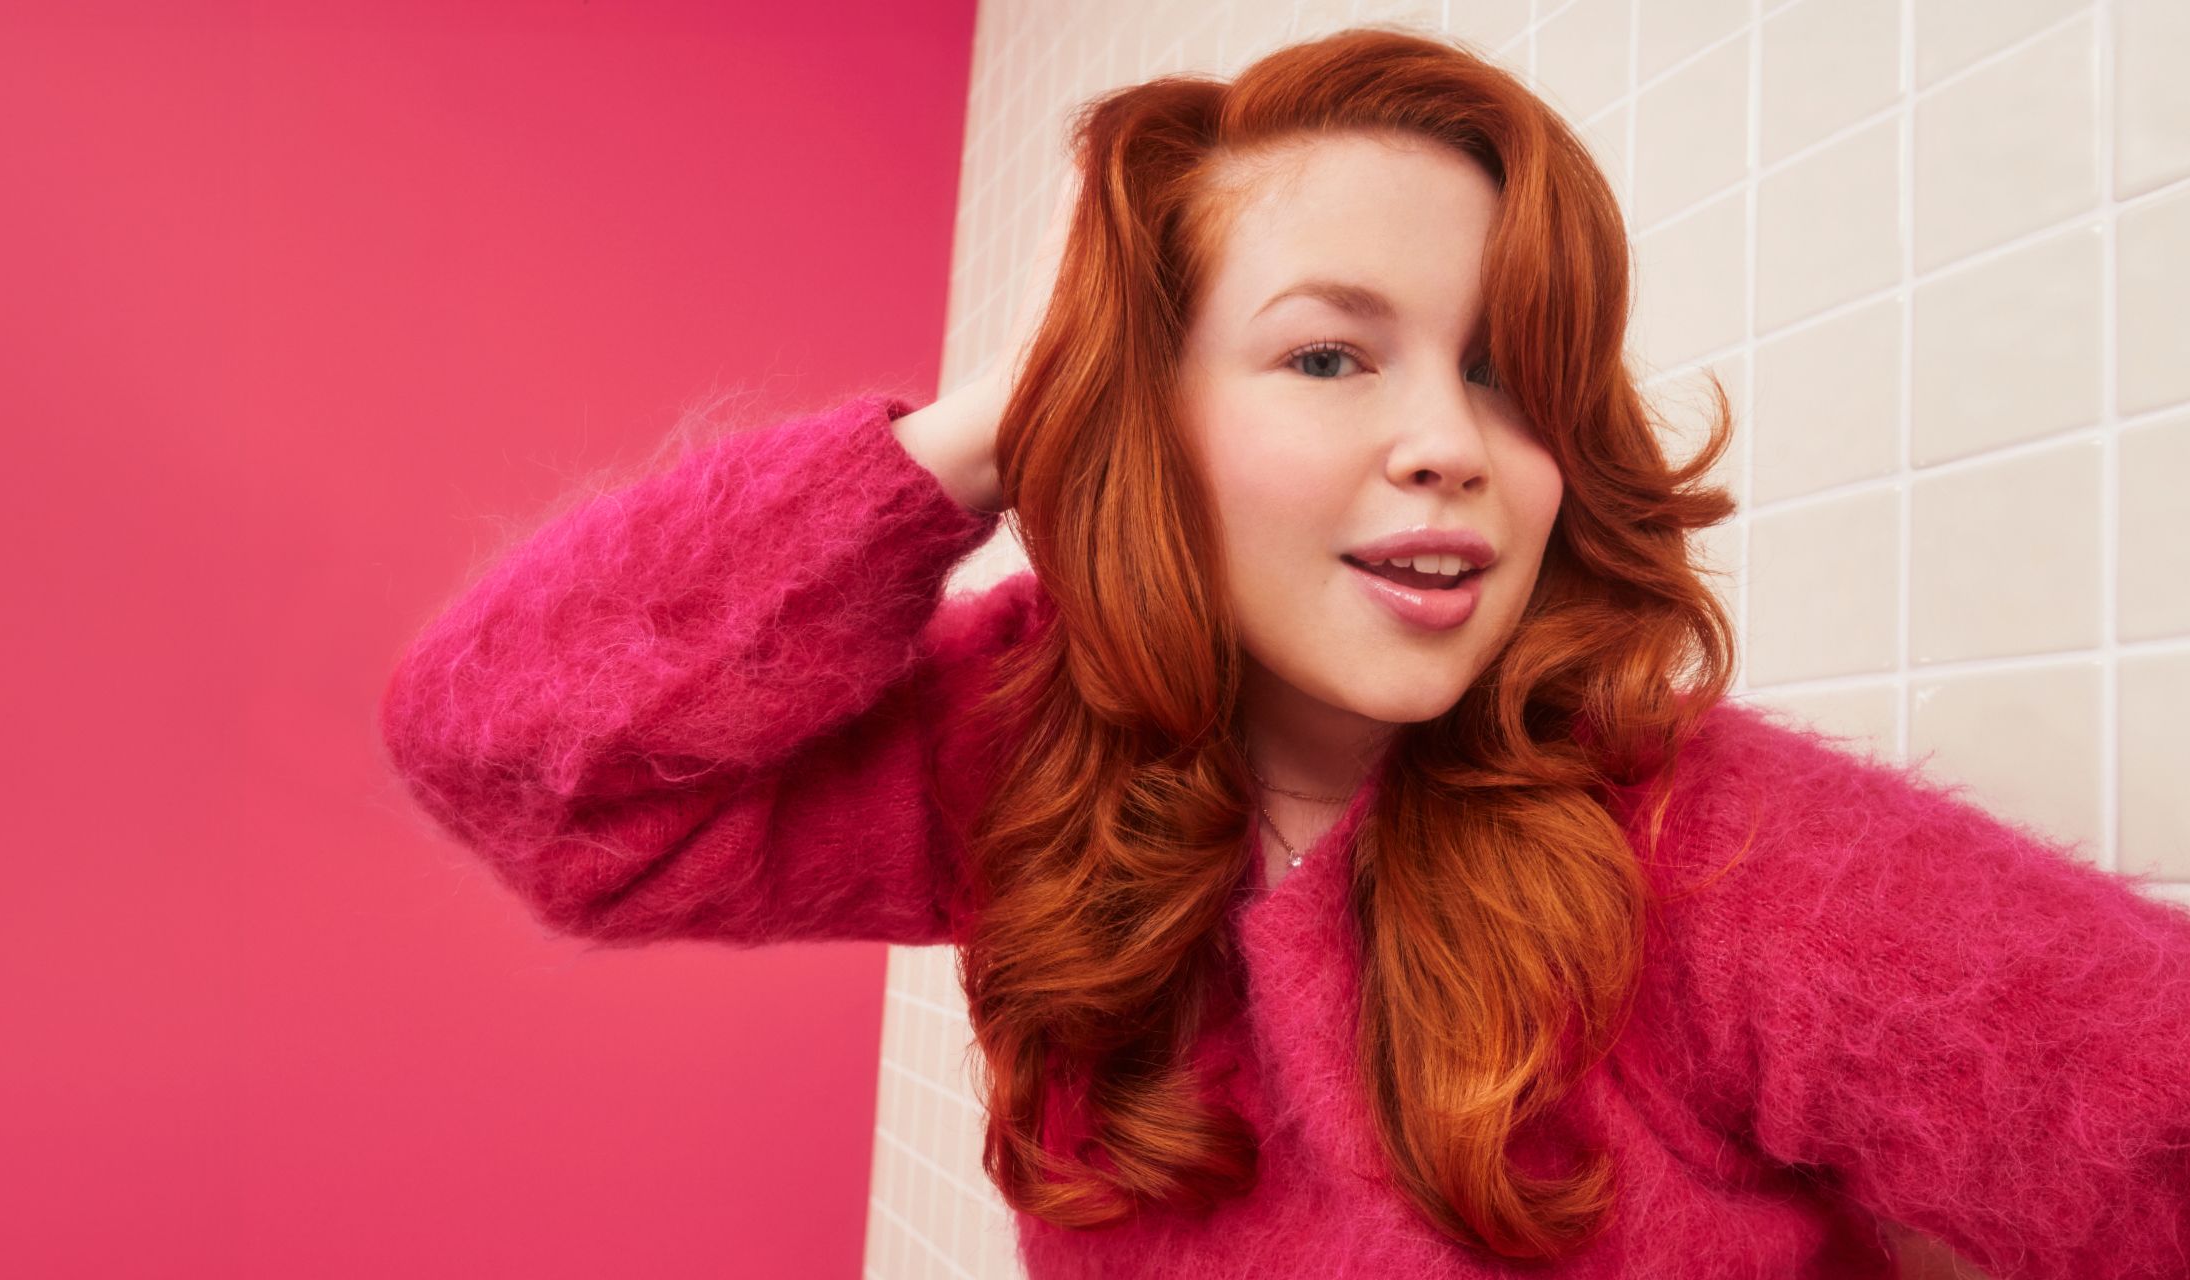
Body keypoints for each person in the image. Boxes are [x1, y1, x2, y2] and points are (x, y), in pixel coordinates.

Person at [377, 25, 2190, 1280]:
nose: (1452, 443)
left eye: (1508, 370)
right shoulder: (1021, 764)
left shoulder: (1718, 866)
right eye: (1333, 355)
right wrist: (986, 437)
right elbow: (526, 770)